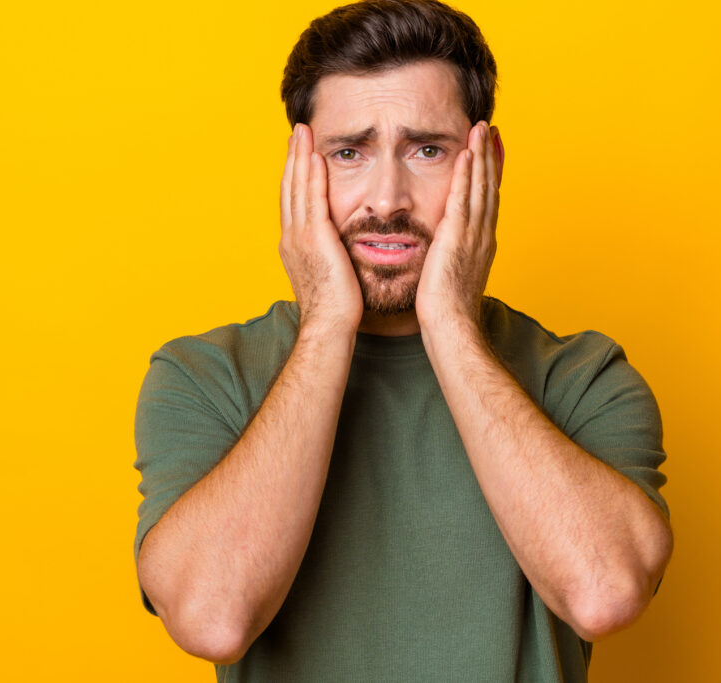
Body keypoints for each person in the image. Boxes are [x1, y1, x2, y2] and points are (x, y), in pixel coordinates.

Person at [132, 1, 674, 680]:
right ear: (300, 169)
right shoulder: (206, 377)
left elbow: (604, 591)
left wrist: (447, 318)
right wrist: (328, 319)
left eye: (426, 149)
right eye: (349, 152)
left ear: (488, 163)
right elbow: (213, 616)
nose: (386, 197)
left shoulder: (583, 377)